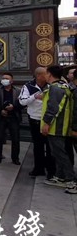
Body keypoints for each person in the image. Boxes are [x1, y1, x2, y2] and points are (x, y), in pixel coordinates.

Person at [41, 65, 76, 193]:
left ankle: (71, 180)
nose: (44, 75)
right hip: (62, 125)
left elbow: (54, 108)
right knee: (58, 153)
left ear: (49, 74)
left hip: (56, 127)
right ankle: (60, 176)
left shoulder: (55, 88)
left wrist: (46, 124)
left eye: (45, 73)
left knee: (60, 154)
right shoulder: (64, 86)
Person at [19, 67, 55, 178]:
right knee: (38, 146)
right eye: (46, 74)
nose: (48, 76)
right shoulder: (28, 86)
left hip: (49, 120)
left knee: (50, 147)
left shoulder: (52, 86)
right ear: (39, 76)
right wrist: (35, 96)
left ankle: (51, 170)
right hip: (35, 119)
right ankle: (38, 168)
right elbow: (22, 101)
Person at [0, 72, 22, 165]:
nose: (4, 80)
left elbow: (22, 104)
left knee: (15, 139)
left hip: (14, 117)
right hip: (1, 117)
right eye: (3, 78)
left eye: (7, 78)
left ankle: (15, 158)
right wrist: (0, 110)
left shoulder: (18, 91)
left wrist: (13, 107)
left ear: (12, 80)